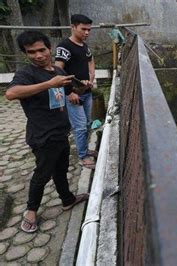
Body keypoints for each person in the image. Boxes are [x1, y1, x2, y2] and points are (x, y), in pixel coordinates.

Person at [5, 31, 89, 233]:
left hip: (61, 132)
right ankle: (31, 211)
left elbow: (71, 92)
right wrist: (48, 84)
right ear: (26, 54)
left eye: (41, 50)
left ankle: (67, 199)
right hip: (42, 136)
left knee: (60, 170)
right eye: (31, 52)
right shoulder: (27, 74)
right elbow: (10, 94)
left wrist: (84, 87)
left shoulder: (58, 73)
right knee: (41, 175)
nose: (38, 55)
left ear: (49, 48)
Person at [55, 14, 97, 169]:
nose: (86, 33)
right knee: (79, 126)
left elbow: (90, 60)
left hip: (86, 92)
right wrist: (68, 92)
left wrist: (92, 76)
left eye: (89, 30)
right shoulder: (65, 46)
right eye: (83, 29)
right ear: (72, 27)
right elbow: (58, 71)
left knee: (87, 124)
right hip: (73, 94)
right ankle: (83, 156)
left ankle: (85, 150)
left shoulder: (84, 46)